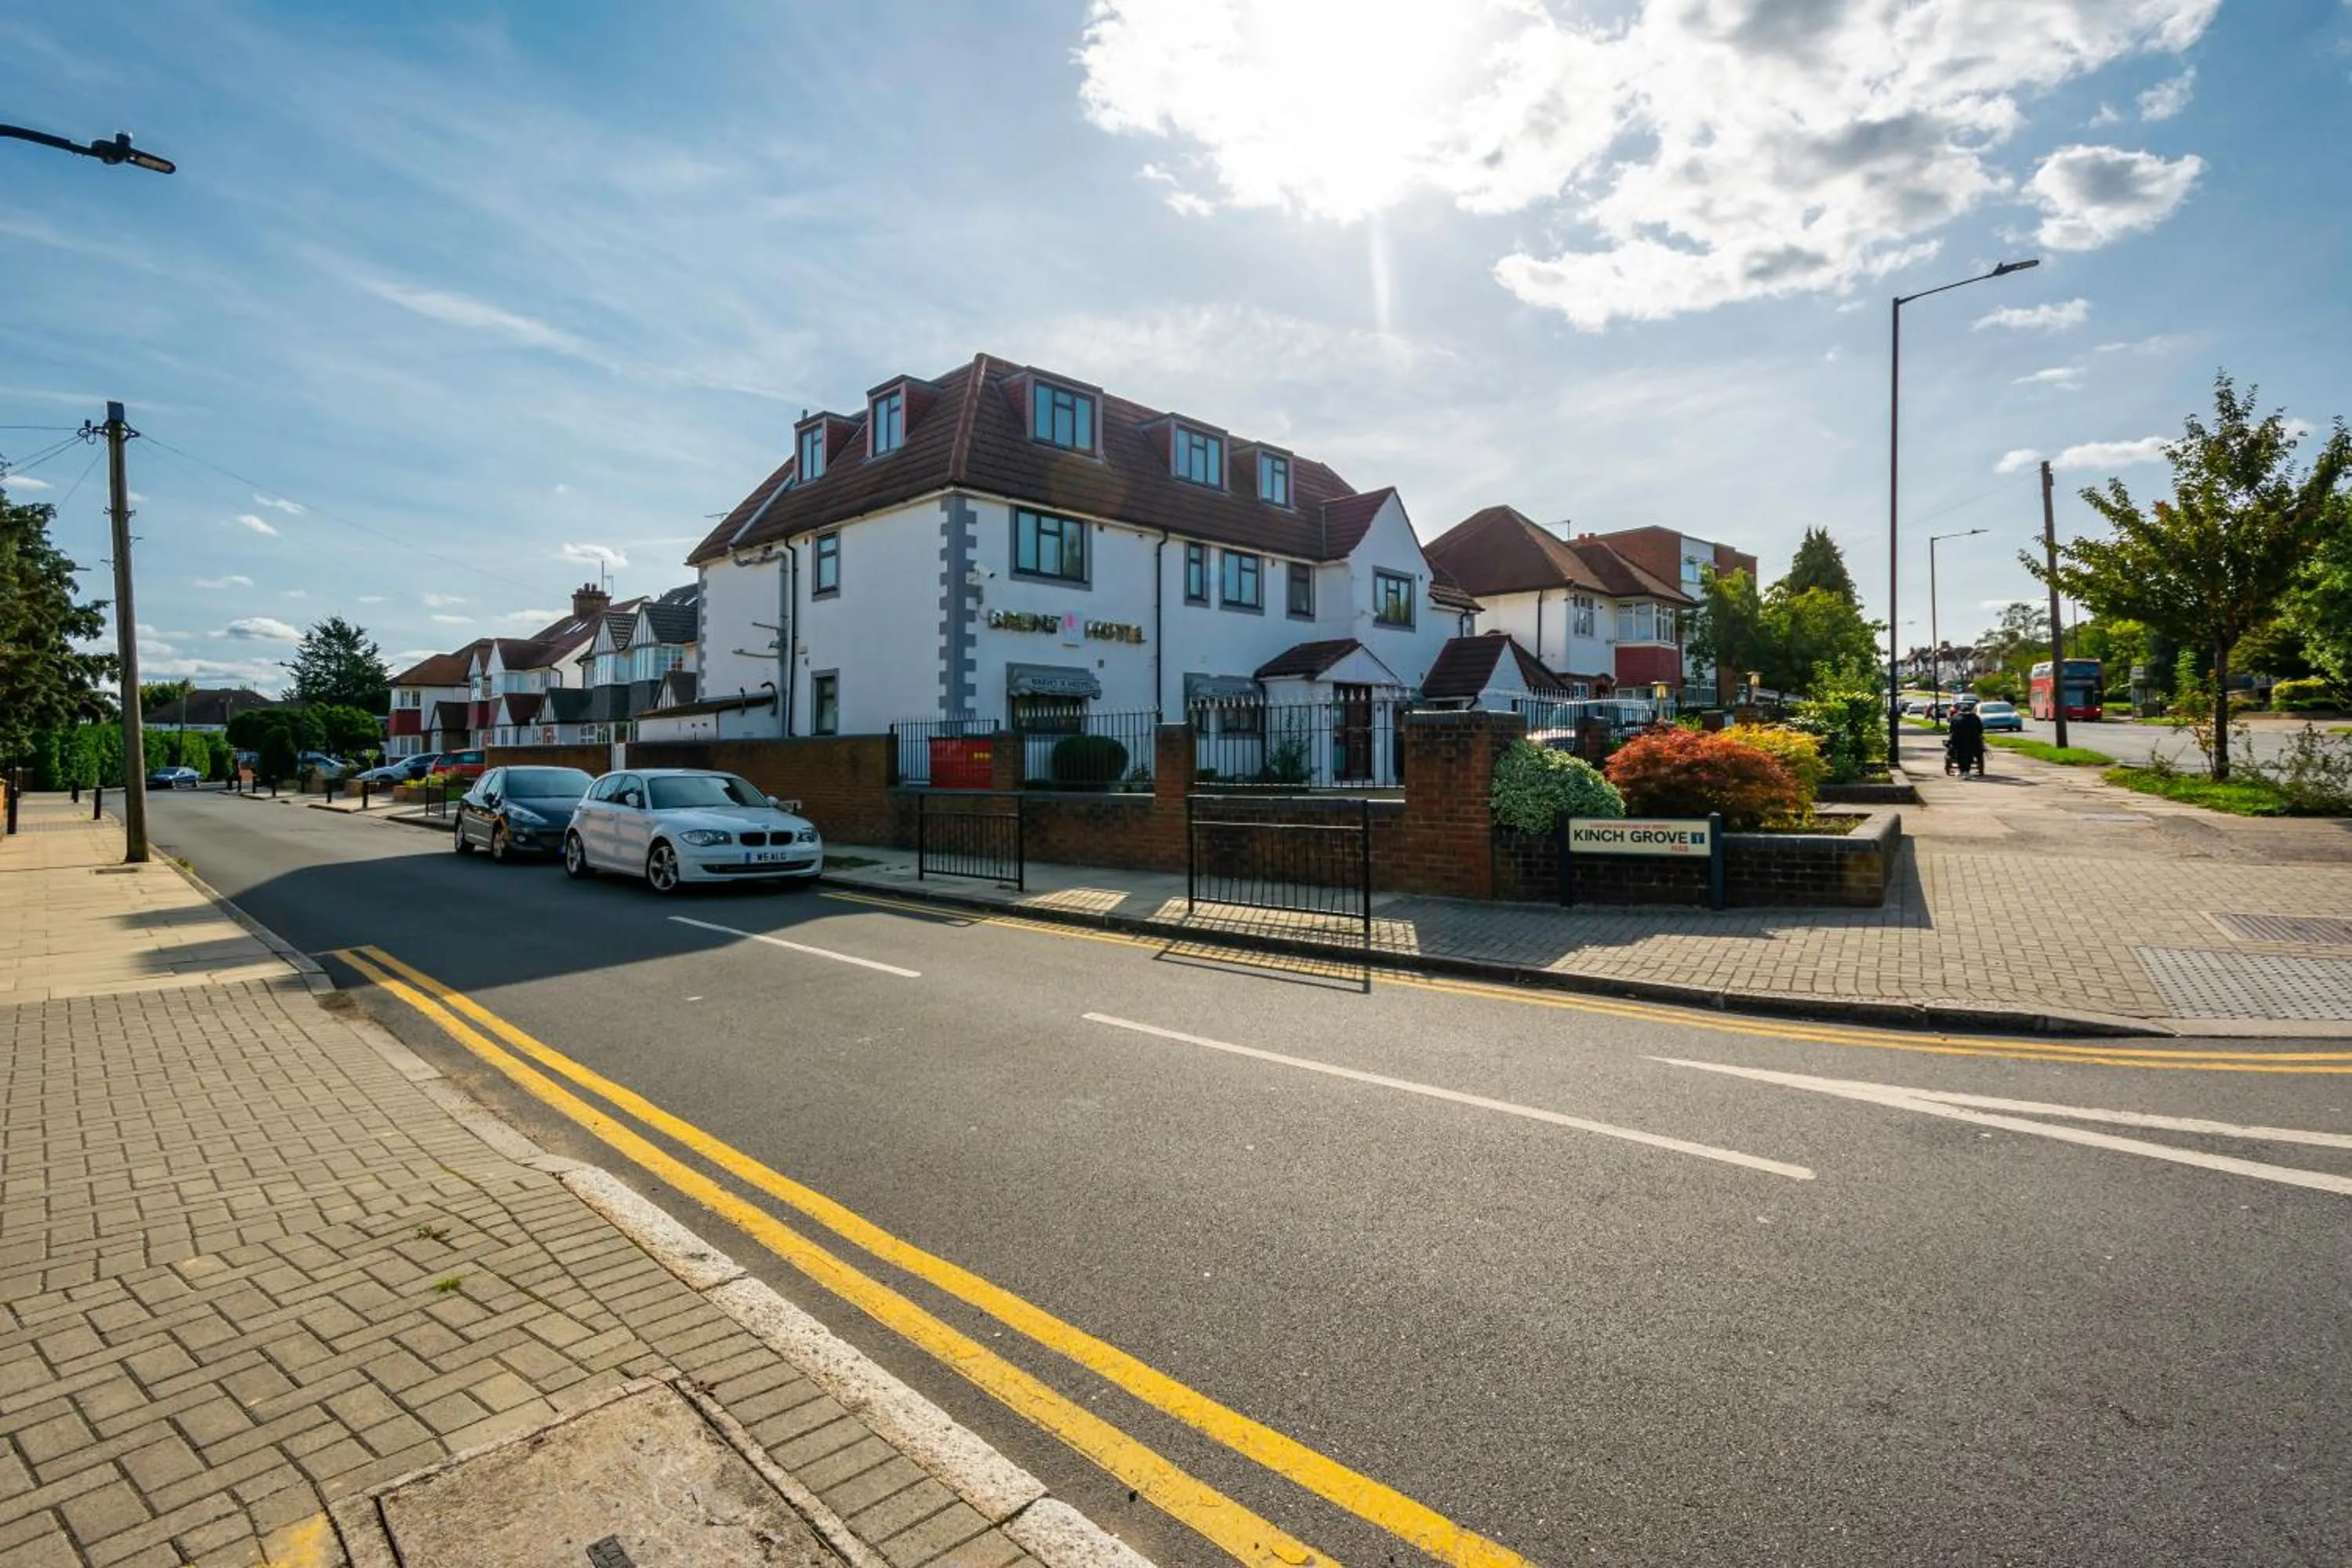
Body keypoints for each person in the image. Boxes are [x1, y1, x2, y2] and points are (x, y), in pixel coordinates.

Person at [1947, 703, 1987, 776]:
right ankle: (1966, 770)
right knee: (1971, 754)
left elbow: (1951, 730)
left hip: (1958, 741)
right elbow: (1980, 730)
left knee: (1959, 754)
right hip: (1973, 741)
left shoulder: (1955, 717)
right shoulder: (1975, 717)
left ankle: (1963, 770)